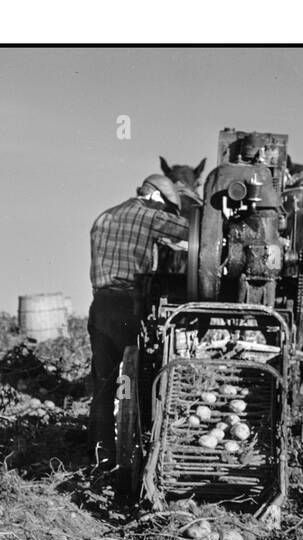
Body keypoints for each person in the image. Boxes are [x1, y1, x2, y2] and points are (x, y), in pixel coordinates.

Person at [87, 174, 193, 492]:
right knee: (131, 384)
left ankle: (100, 459)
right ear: (157, 197)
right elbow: (196, 235)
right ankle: (127, 465)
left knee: (104, 386)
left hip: (100, 305)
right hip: (128, 307)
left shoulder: (104, 216)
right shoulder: (149, 215)